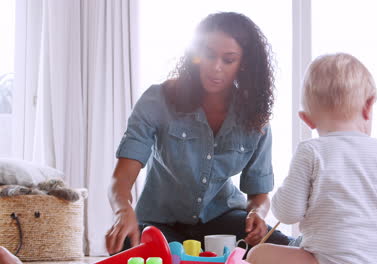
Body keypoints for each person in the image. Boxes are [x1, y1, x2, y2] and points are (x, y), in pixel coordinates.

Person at [105, 12, 291, 255]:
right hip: (160, 223)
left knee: (283, 248)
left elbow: (258, 195)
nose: (216, 67)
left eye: (228, 59)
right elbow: (121, 179)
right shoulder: (158, 99)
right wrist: (123, 211)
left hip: (222, 219)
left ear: (244, 63)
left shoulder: (255, 118)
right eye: (209, 55)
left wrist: (258, 213)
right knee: (131, 245)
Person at [246, 53, 377, 264]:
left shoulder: (311, 151)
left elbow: (287, 213)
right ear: (368, 105)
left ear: (307, 119)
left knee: (258, 254)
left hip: (327, 260)